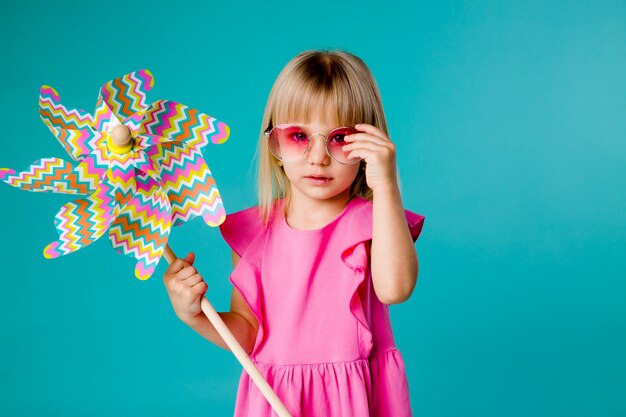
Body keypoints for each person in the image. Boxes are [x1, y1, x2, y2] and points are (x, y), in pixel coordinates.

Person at [163, 49, 426, 417]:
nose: (317, 156)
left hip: (355, 401)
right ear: (274, 143)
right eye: (299, 136)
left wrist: (385, 185)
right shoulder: (253, 232)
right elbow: (250, 335)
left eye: (340, 139)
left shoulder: (373, 221)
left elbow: (395, 289)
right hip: (277, 399)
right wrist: (194, 314)